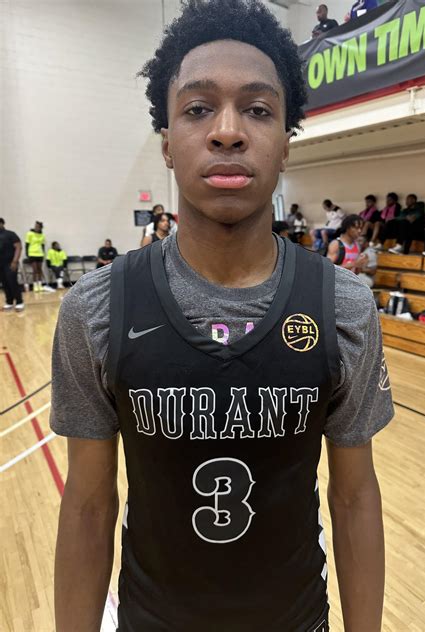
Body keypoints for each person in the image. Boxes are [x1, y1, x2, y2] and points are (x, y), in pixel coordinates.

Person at [51, 3, 393, 631]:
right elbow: (90, 508)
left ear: (285, 144)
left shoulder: (344, 305)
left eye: (258, 110)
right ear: (167, 145)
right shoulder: (96, 307)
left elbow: (353, 496)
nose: (228, 132)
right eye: (198, 109)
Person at [0, 218, 24, 311]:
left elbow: (18, 247)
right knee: (4, 283)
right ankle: (9, 302)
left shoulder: (10, 234)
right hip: (1, 264)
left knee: (12, 282)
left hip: (10, 263)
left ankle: (19, 302)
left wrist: (14, 261)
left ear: (2, 223)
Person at [25, 221, 53, 292]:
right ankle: (35, 285)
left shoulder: (42, 235)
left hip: (40, 254)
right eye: (35, 226)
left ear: (40, 228)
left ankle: (40, 285)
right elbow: (27, 244)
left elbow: (42, 246)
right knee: (35, 270)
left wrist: (43, 254)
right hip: (32, 253)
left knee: (40, 270)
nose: (36, 227)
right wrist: (27, 254)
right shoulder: (29, 233)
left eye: (38, 226)